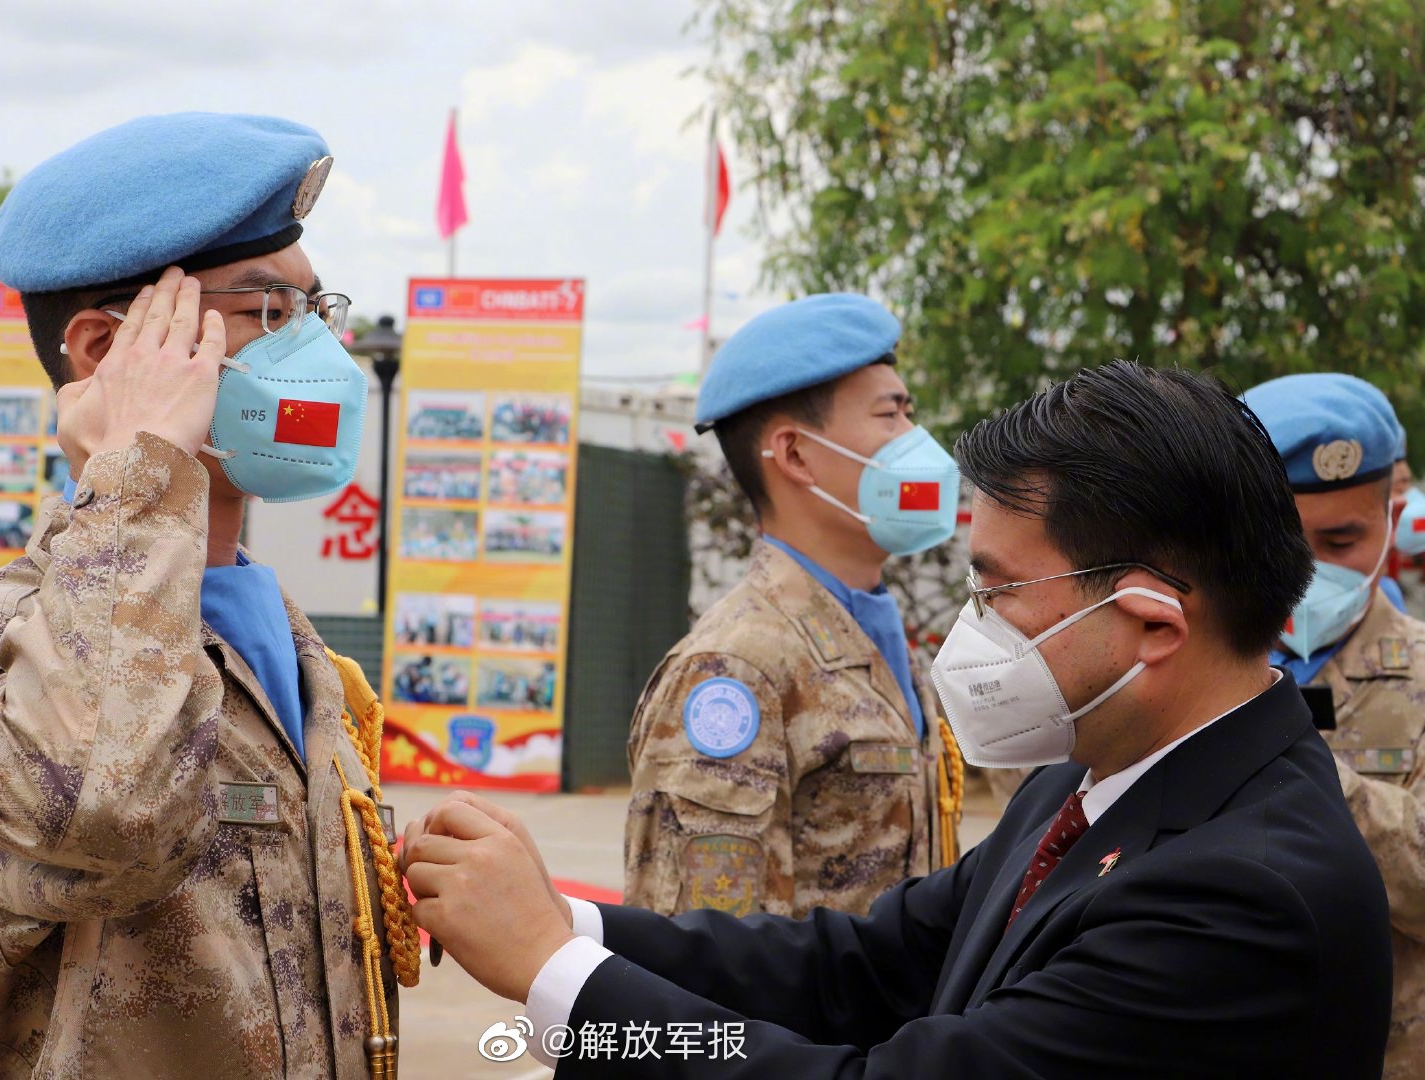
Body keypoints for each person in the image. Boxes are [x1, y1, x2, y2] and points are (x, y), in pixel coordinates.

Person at [400, 361, 1393, 1078]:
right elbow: (858, 967)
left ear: (1148, 623)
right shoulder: (1084, 781)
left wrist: (549, 971)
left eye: (999, 591)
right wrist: (563, 919)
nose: (972, 626)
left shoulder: (1241, 894)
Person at [0, 113, 417, 1079]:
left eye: (316, 310)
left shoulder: (300, 652)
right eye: (269, 311)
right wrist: (140, 471)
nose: (312, 351)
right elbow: (100, 832)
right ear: (103, 348)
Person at [624, 294, 963, 921]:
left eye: (909, 413)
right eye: (890, 416)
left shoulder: (873, 639)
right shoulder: (735, 669)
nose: (916, 442)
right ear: (797, 454)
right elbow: (705, 957)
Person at [1242, 373, 1425, 1076]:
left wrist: (1296, 766)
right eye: (1285, 542)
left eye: (1341, 540)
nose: (1310, 572)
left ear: (1392, 515)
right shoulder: (1174, 667)